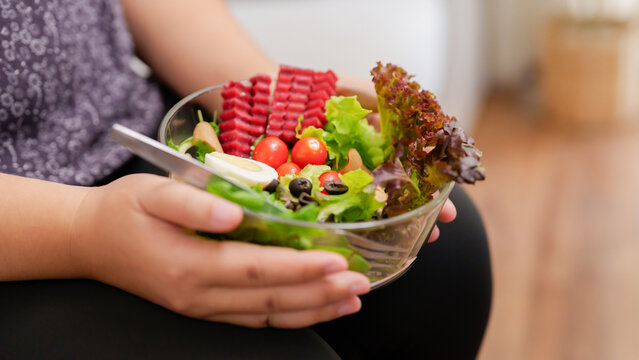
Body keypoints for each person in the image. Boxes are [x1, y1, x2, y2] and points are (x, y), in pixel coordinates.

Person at [0, 1, 492, 358]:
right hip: (26, 225)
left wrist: (266, 92)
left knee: (449, 264)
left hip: (121, 122)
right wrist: (82, 231)